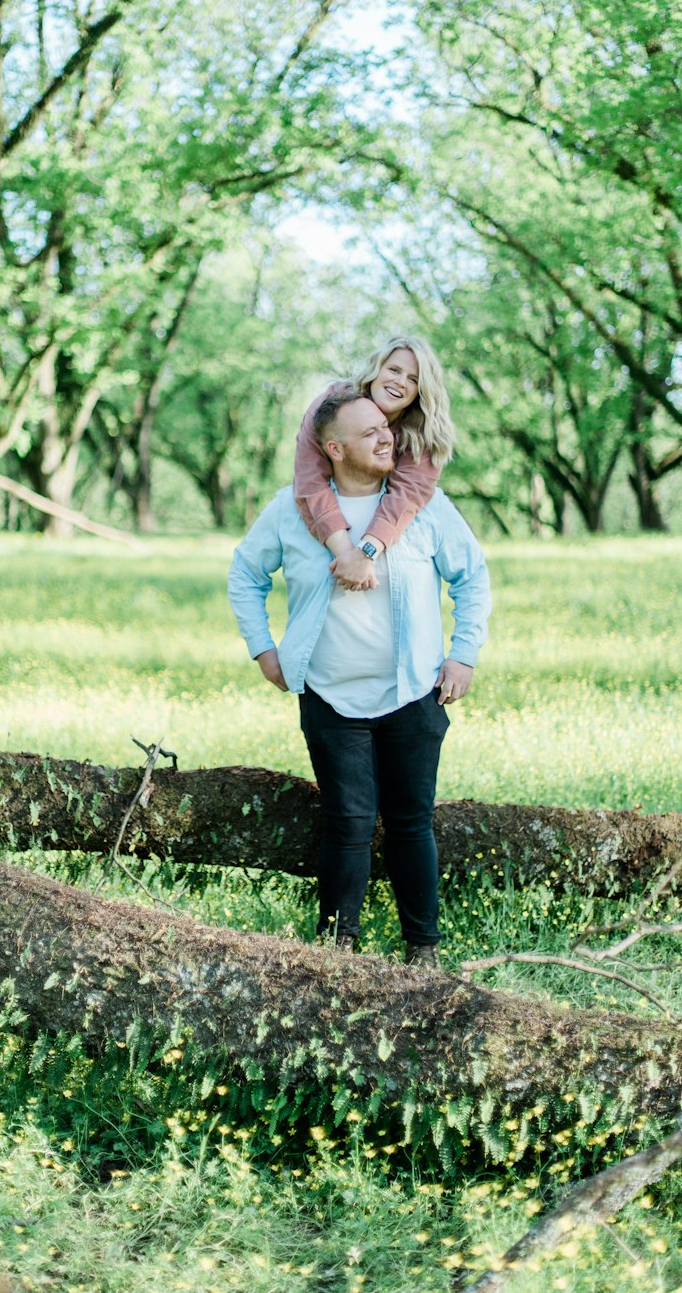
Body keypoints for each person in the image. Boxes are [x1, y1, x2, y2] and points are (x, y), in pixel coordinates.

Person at [227, 385, 490, 968]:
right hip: (329, 696)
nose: (386, 436)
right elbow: (245, 574)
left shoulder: (422, 507)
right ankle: (336, 954)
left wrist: (464, 653)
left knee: (410, 823)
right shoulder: (292, 511)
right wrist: (263, 650)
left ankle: (423, 951)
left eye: (385, 426)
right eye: (369, 431)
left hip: (413, 693)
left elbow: (471, 577)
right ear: (334, 448)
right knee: (346, 821)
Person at [294, 335, 454, 595]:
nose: (400, 382)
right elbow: (309, 481)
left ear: (420, 391)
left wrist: (365, 554)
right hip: (329, 529)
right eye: (394, 370)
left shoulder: (422, 432)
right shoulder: (331, 406)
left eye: (413, 380)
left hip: (390, 550)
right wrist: (347, 555)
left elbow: (405, 499)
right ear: (376, 369)